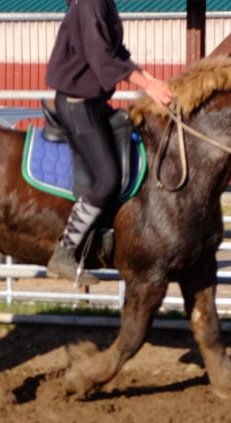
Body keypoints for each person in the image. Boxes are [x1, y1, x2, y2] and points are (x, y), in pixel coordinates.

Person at [45, 0, 174, 285]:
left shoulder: (104, 3)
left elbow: (118, 53)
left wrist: (151, 79)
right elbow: (101, 58)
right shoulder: (92, 3)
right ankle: (64, 253)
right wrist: (147, 85)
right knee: (107, 179)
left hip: (94, 102)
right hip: (78, 103)